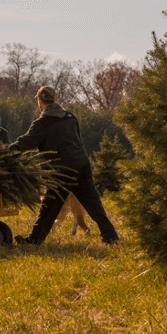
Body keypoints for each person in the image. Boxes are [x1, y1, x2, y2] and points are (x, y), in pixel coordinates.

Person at [9, 85, 119, 246]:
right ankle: (111, 236)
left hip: (60, 171)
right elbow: (77, 140)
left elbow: (26, 142)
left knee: (48, 208)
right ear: (54, 99)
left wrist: (6, 151)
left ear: (39, 101)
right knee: (94, 205)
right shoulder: (70, 117)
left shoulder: (42, 123)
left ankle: (34, 240)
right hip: (82, 165)